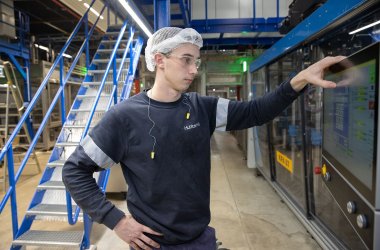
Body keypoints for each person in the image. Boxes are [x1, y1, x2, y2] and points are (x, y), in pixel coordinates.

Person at [62, 27, 345, 250]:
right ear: (159, 60)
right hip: (151, 243)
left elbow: (255, 112)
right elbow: (75, 169)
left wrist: (299, 80)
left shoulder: (202, 107)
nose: (194, 70)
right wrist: (116, 221)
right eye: (186, 60)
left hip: (200, 238)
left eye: (196, 61)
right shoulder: (124, 117)